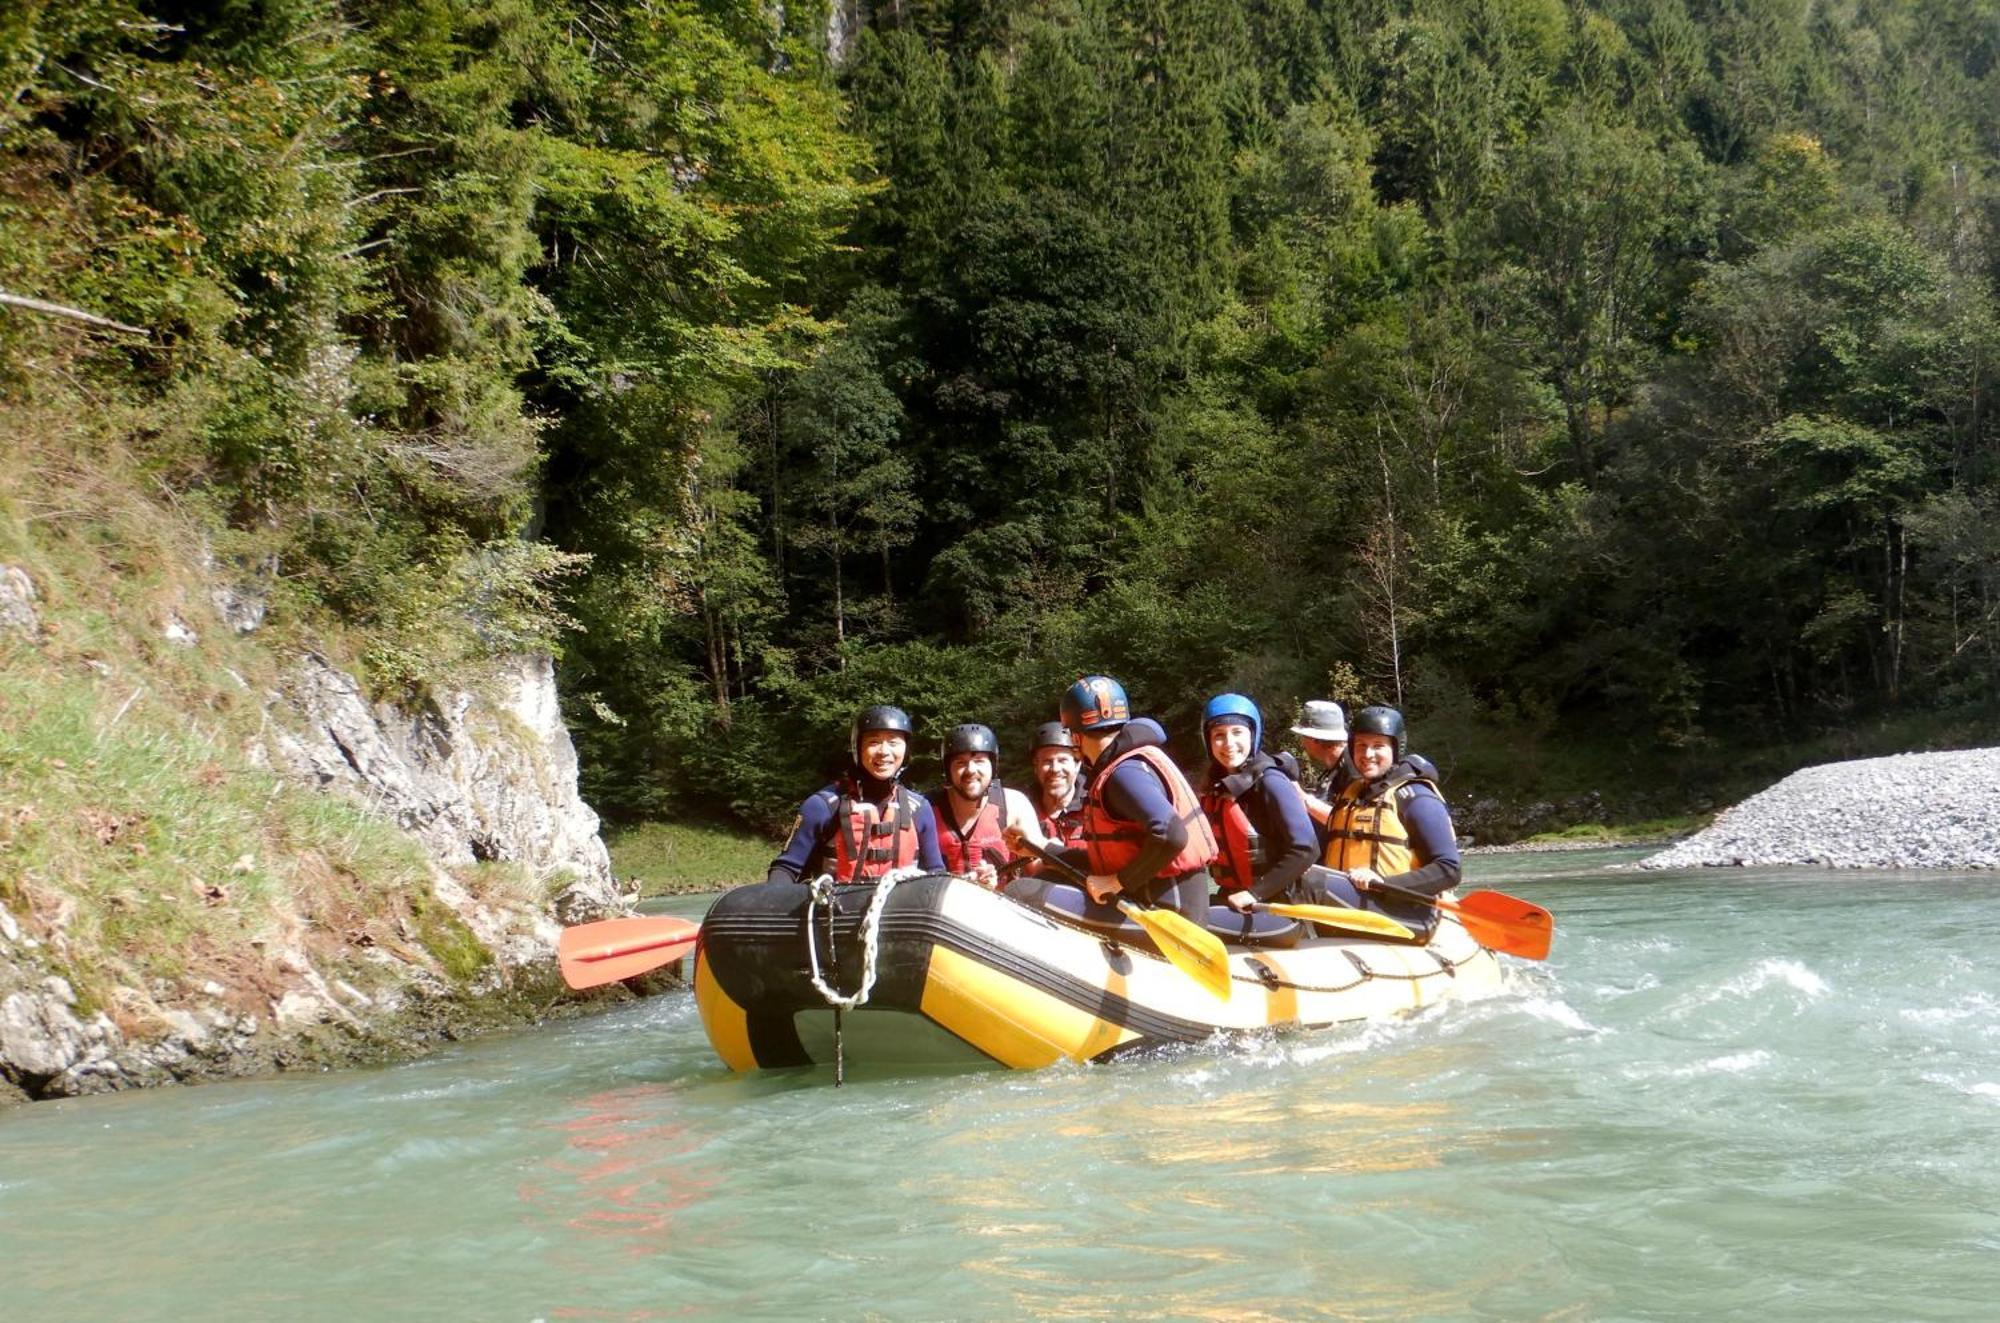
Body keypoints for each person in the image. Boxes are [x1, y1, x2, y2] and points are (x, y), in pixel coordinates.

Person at [1055, 674, 1217, 923]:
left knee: (1023, 891)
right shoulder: (1132, 762)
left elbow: (1171, 833)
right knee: (1049, 877)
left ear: (1076, 736)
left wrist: (1117, 881)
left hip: (1167, 918)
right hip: (1173, 906)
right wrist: (1039, 845)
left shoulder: (1122, 774)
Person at [766, 704, 945, 885]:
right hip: (833, 910)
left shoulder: (919, 809)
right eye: (873, 742)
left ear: (906, 750)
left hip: (900, 911)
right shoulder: (822, 806)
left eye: (893, 742)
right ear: (858, 748)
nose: (884, 751)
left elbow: (936, 875)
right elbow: (785, 869)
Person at [1316, 705, 1460, 929]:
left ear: (1395, 749)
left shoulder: (1415, 797)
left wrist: (1383, 883)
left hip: (1402, 915)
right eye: (1361, 745)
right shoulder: (1349, 795)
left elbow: (1449, 870)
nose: (1367, 755)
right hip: (1345, 909)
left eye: (1378, 746)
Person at [1197, 693, 1320, 914]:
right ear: (1208, 741)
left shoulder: (1271, 781)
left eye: (1237, 733)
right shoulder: (1218, 787)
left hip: (1280, 903)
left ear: (1253, 735)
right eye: (1219, 735)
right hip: (1235, 898)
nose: (1229, 744)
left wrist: (1254, 893)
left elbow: (1306, 848)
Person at [926, 722, 1047, 887]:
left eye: (979, 761)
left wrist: (1051, 854)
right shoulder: (927, 809)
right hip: (943, 906)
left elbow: (1038, 868)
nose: (971, 770)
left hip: (1004, 905)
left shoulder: (1015, 804)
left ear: (993, 765)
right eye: (960, 763)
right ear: (948, 769)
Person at [1026, 720, 1086, 852]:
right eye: (1047, 761)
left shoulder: (1095, 808)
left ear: (1077, 765)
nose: (1055, 769)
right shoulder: (1022, 811)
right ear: (1036, 767)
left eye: (1062, 760)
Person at [1290, 699, 1350, 801]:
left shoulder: (1352, 769)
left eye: (1304, 737)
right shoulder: (1336, 766)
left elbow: (1350, 815)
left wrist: (1302, 797)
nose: (1302, 743)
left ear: (1315, 739)